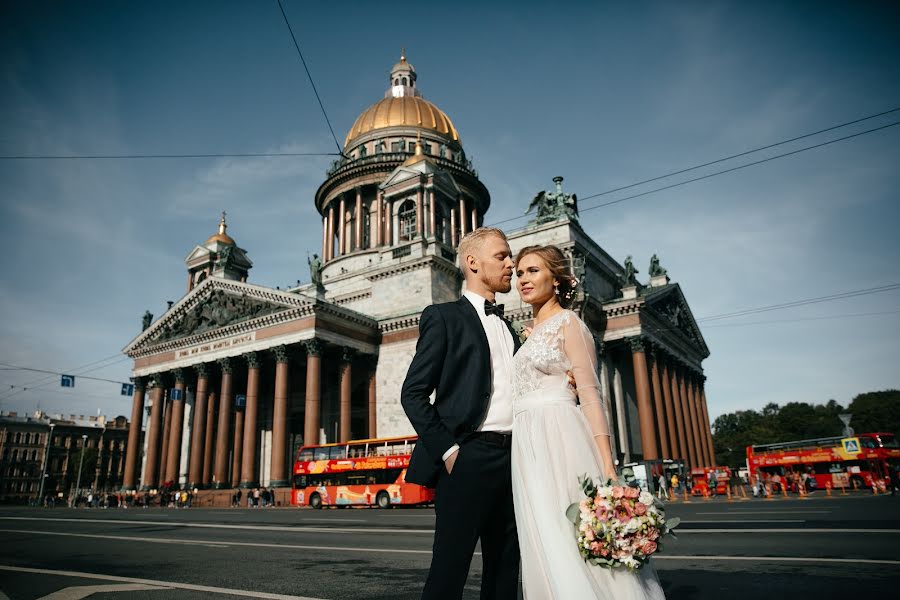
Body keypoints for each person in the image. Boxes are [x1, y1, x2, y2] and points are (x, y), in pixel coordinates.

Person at [510, 244, 664, 599]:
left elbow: (592, 396)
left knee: (569, 535)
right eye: (519, 273)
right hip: (527, 444)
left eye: (533, 271)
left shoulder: (571, 324)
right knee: (543, 537)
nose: (523, 279)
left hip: (558, 436)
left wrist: (608, 467)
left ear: (558, 277)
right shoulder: (531, 331)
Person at [401, 227, 521, 599]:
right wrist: (451, 452)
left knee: (505, 570)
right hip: (469, 456)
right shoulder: (443, 317)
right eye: (501, 256)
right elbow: (413, 394)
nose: (511, 264)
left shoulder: (509, 327)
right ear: (472, 262)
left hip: (515, 459)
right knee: (449, 573)